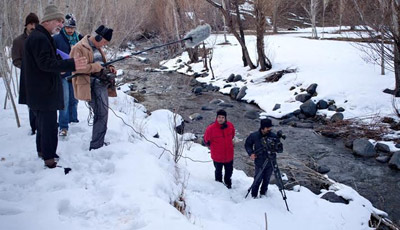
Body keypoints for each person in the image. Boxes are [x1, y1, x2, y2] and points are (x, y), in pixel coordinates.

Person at [18, 4, 87, 168]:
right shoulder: (40, 38)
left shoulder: (39, 36)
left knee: (43, 125)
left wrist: (61, 65)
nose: (61, 25)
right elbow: (45, 64)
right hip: (43, 92)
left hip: (39, 91)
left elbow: (45, 63)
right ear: (49, 20)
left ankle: (43, 152)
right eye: (59, 21)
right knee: (48, 125)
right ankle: (50, 160)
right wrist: (70, 64)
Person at [70, 24, 117, 151]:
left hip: (101, 84)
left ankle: (98, 143)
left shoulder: (98, 48)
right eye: (104, 42)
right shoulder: (78, 48)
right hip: (88, 85)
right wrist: (95, 67)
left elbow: (101, 63)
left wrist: (109, 68)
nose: (104, 45)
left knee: (102, 113)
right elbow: (75, 67)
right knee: (100, 113)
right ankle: (96, 145)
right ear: (98, 38)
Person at [54, 14, 83, 136]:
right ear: (64, 27)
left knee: (74, 99)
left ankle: (73, 120)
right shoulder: (57, 39)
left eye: (72, 28)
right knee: (64, 100)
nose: (70, 30)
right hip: (63, 74)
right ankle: (63, 126)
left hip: (76, 73)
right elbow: (52, 55)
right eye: (68, 28)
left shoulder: (79, 38)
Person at [11, 12, 39, 135]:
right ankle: (34, 127)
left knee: (43, 101)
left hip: (42, 75)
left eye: (35, 24)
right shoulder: (18, 41)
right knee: (31, 102)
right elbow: (16, 60)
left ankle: (42, 124)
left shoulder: (40, 37)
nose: (33, 26)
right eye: (31, 24)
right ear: (26, 25)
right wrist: (28, 67)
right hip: (27, 76)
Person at [244, 118, 283, 198]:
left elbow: (279, 150)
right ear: (263, 128)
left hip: (271, 161)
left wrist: (278, 143)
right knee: (257, 179)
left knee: (267, 179)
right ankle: (254, 195)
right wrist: (251, 153)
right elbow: (247, 144)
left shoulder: (273, 136)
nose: (270, 129)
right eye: (268, 127)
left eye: (270, 127)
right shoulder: (254, 136)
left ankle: (263, 193)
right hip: (259, 161)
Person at [203, 109, 235, 189]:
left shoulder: (230, 126)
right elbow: (206, 140)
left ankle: (228, 184)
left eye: (222, 117)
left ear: (225, 118)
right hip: (217, 156)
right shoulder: (211, 129)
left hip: (229, 155)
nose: (220, 119)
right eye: (219, 117)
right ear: (216, 118)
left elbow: (233, 135)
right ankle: (219, 187)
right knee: (218, 172)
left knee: (229, 172)